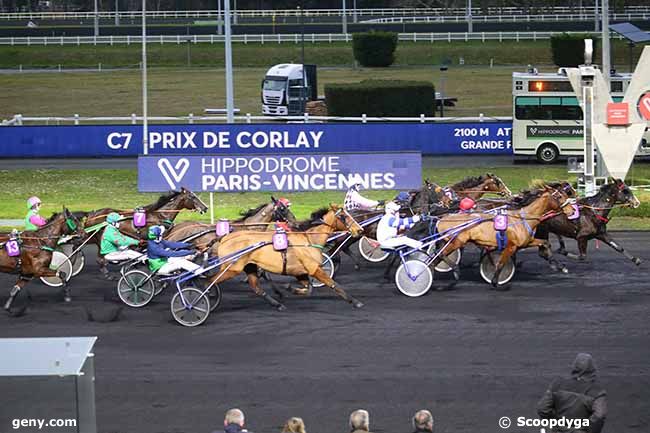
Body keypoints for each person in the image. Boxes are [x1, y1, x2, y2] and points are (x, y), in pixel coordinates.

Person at [537, 353, 607, 433]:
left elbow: (542, 409)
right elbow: (599, 415)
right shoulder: (597, 391)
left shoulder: (558, 384)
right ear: (592, 370)